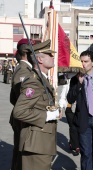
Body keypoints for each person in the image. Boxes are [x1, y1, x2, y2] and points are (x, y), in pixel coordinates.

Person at [13, 39, 62, 170]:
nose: (53, 57)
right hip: (35, 144)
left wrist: (54, 110)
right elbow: (19, 111)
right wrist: (47, 115)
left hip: (41, 143)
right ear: (40, 59)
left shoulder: (41, 79)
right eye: (49, 55)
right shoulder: (34, 82)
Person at [9, 38, 36, 170]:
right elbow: (21, 99)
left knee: (20, 151)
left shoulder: (26, 69)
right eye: (34, 51)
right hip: (23, 119)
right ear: (27, 52)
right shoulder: (24, 71)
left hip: (21, 118)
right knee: (21, 153)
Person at [59, 72, 80, 156]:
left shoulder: (84, 79)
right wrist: (60, 108)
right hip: (69, 107)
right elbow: (63, 95)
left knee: (78, 126)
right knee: (73, 126)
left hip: (79, 108)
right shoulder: (68, 80)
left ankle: (72, 142)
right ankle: (76, 146)